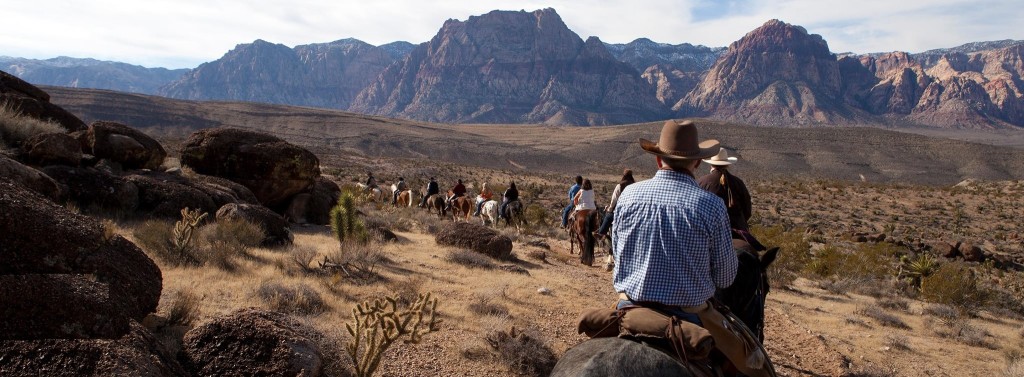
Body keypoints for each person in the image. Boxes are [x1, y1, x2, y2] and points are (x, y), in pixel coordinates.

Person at [612, 119, 737, 326]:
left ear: (659, 160)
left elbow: (618, 253)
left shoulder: (628, 195)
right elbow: (725, 278)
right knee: (747, 355)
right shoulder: (712, 205)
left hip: (629, 308)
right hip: (689, 315)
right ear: (697, 163)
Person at [698, 148, 764, 250]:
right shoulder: (738, 182)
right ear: (728, 164)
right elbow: (747, 210)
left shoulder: (702, 182)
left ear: (711, 164)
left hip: (711, 230)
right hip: (738, 228)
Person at [595, 169, 634, 241]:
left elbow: (614, 200)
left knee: (608, 216)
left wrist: (610, 209)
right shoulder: (635, 185)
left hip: (620, 212)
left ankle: (601, 233)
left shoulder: (620, 186)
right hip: (633, 212)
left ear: (624, 175)